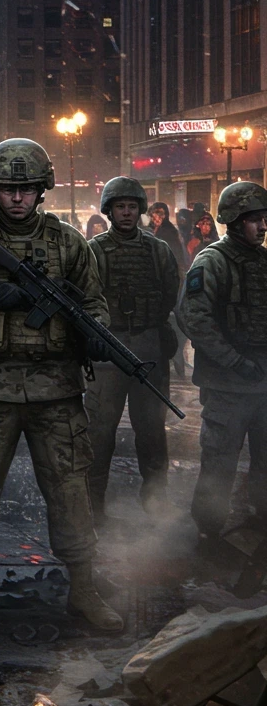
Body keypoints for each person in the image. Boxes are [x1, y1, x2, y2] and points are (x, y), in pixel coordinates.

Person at [0, 139, 123, 634]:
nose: (17, 198)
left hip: (57, 391)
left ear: (42, 190)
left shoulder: (69, 242)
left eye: (27, 188)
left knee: (70, 491)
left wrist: (97, 336)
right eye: (9, 189)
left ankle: (84, 588)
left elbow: (95, 304)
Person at [84, 178, 180, 521]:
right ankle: (94, 506)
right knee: (99, 433)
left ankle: (155, 502)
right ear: (109, 210)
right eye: (120, 207)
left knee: (153, 432)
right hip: (109, 352)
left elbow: (171, 293)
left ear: (140, 210)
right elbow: (85, 297)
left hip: (147, 347)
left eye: (132, 207)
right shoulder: (94, 250)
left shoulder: (158, 250)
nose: (126, 213)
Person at [178, 182, 267, 551]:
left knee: (265, 459)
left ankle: (261, 519)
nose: (262, 227)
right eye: (255, 220)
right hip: (229, 386)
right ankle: (208, 531)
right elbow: (194, 318)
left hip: (262, 382)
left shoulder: (262, 262)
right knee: (219, 461)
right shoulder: (212, 261)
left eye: (265, 219)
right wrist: (235, 362)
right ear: (233, 220)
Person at [147, 202, 186, 272]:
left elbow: (175, 253)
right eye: (154, 214)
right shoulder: (149, 229)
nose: (157, 218)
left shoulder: (170, 231)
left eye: (160, 214)